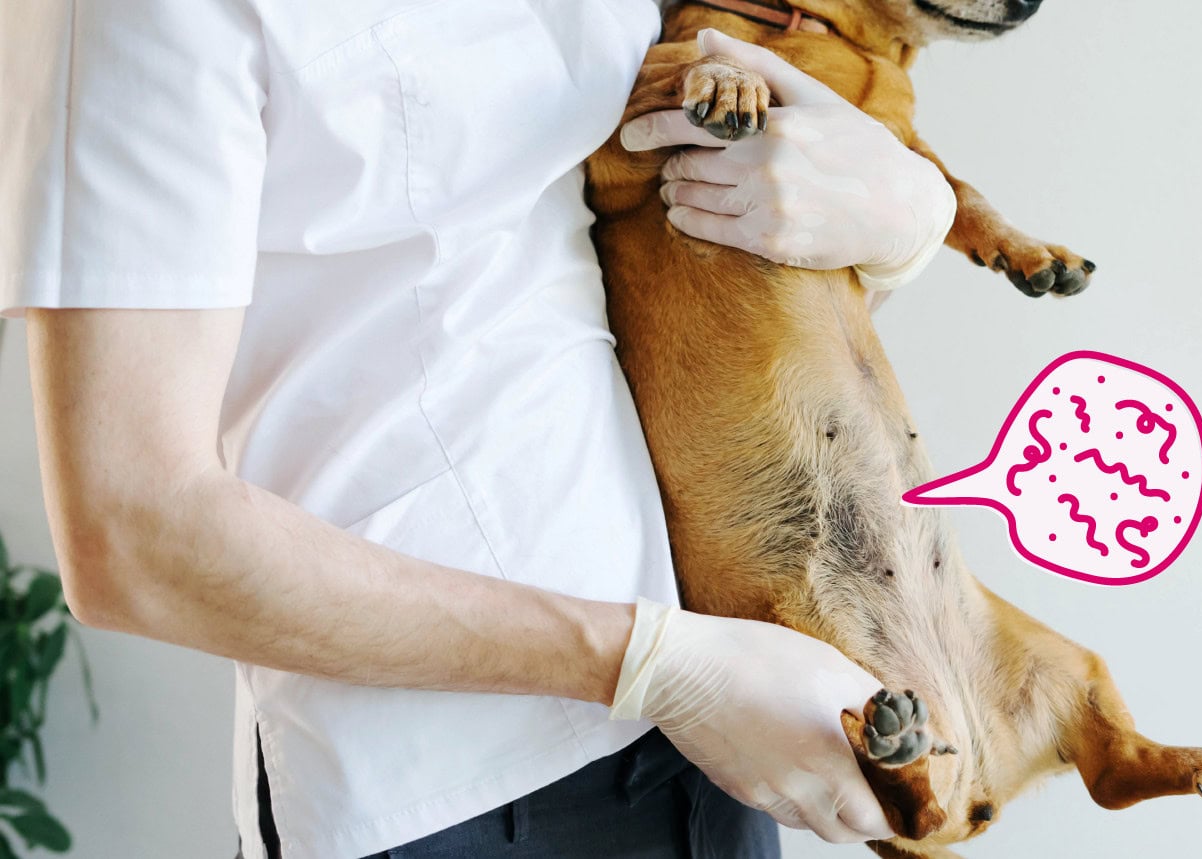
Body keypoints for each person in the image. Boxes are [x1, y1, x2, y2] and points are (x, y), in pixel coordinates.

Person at [0, 2, 955, 857]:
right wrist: (657, 665)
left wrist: (895, 217)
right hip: (447, 788)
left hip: (716, 723)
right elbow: (132, 532)